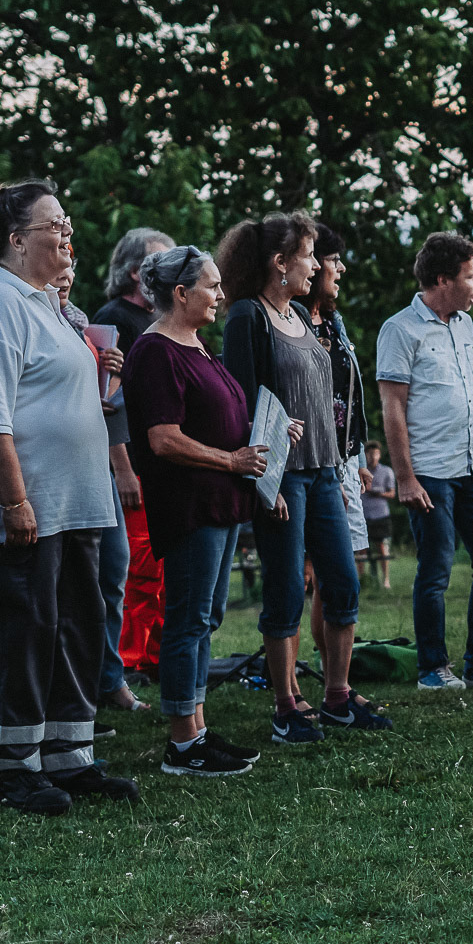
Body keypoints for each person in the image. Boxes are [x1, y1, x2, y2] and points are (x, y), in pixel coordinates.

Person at [0, 178, 137, 816]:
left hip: (73, 505)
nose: (68, 234)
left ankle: (68, 757)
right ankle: (12, 767)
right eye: (56, 225)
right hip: (25, 511)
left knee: (75, 629)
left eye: (67, 223)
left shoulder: (44, 303)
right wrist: (14, 503)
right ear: (16, 239)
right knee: (24, 635)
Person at [125, 246, 287, 777]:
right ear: (181, 293)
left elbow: (221, 417)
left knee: (206, 618)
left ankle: (196, 728)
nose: (221, 295)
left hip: (222, 504)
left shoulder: (197, 345)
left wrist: (267, 440)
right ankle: (182, 742)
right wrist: (232, 459)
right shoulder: (156, 352)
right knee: (188, 619)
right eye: (212, 286)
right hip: (190, 506)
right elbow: (164, 439)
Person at [218, 212, 379, 743]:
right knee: (287, 589)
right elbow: (239, 401)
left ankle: (337, 696)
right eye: (309, 255)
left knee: (343, 583)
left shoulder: (303, 317)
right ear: (279, 262)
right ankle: (286, 704)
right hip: (283, 477)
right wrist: (266, 479)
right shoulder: (248, 316)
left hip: (325, 471)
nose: (316, 265)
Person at [375, 232, 473, 691]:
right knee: (435, 571)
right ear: (442, 280)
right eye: (472, 276)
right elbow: (393, 408)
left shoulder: (466, 325)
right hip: (430, 472)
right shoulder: (399, 329)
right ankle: (433, 669)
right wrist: (405, 477)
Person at [53, 264, 150, 726]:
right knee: (70, 586)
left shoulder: (80, 320)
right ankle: (73, 691)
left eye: (72, 266)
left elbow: (101, 402)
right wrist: (125, 467)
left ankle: (108, 679)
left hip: (94, 462)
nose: (66, 274)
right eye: (58, 265)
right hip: (56, 468)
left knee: (113, 570)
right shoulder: (24, 317)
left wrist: (110, 373)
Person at [94, 228, 176, 688]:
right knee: (137, 566)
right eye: (159, 263)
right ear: (133, 272)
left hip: (160, 462)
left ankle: (155, 655)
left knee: (159, 567)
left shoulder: (158, 319)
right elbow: (105, 401)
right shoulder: (114, 318)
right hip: (132, 465)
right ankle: (130, 659)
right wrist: (122, 468)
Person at [302, 221, 377, 665]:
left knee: (339, 571)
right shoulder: (289, 321)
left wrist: (358, 455)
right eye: (333, 260)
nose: (340, 269)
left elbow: (345, 395)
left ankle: (333, 671)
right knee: (317, 570)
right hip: (311, 462)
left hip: (343, 459)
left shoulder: (332, 320)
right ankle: (297, 678)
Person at [362, 442, 395, 589]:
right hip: (364, 515)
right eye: (370, 454)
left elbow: (392, 494)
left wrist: (378, 493)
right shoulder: (360, 471)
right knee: (361, 548)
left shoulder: (387, 471)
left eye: (375, 454)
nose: (372, 457)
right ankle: (362, 579)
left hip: (381, 515)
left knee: (382, 547)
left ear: (379, 455)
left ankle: (385, 580)